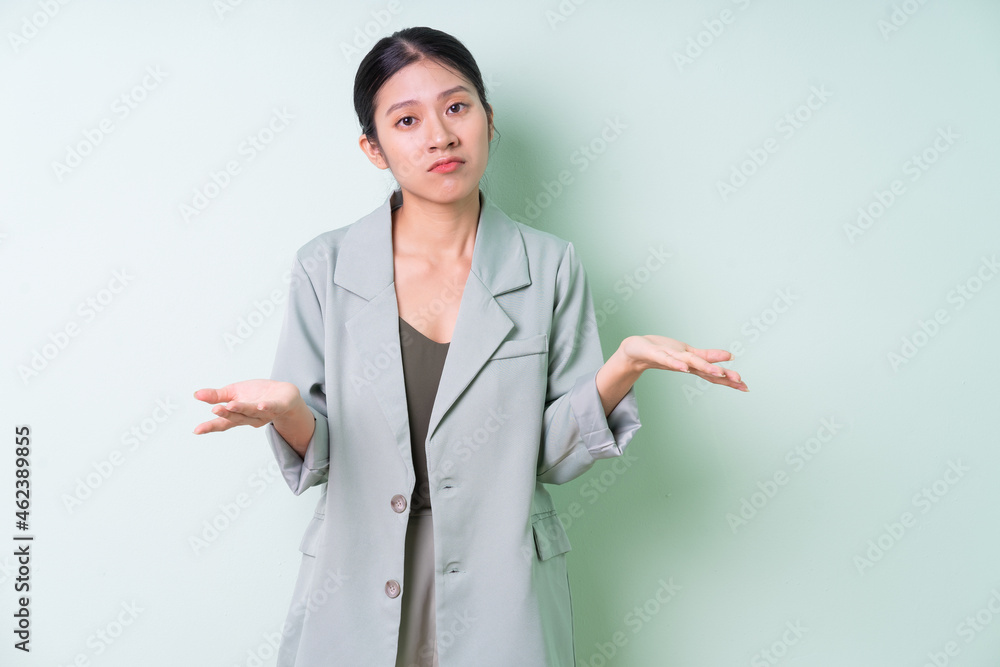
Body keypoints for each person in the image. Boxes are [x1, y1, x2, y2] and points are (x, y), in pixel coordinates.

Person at [193, 26, 747, 667]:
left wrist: (620, 368)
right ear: (374, 149)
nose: (440, 135)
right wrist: (288, 408)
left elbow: (549, 459)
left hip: (500, 582)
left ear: (487, 118)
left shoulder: (549, 266)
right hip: (357, 580)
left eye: (457, 107)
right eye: (406, 120)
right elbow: (318, 460)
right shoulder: (327, 266)